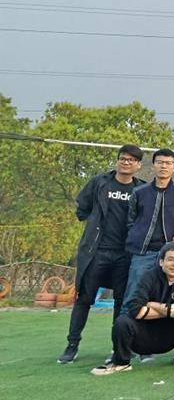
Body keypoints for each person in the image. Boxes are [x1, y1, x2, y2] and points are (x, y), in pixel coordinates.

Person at [60, 144, 145, 365]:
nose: (126, 162)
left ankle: (118, 348)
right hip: (97, 252)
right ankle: (72, 345)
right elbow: (82, 209)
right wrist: (95, 225)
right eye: (122, 158)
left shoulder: (141, 189)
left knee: (121, 302)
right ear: (117, 161)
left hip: (125, 254)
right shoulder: (100, 183)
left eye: (131, 160)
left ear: (138, 165)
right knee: (84, 299)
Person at [92, 241, 174, 376]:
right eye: (170, 259)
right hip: (145, 337)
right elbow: (135, 310)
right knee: (122, 321)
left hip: (172, 335)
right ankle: (121, 362)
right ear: (161, 262)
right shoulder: (148, 276)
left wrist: (153, 304)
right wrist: (171, 311)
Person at [123, 149, 174, 314]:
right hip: (142, 253)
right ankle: (124, 329)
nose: (163, 166)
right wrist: (136, 236)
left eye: (168, 163)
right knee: (133, 297)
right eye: (160, 162)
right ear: (153, 165)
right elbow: (131, 221)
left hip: (170, 255)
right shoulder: (139, 192)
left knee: (167, 299)